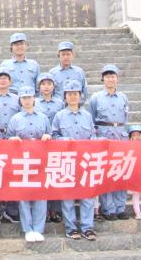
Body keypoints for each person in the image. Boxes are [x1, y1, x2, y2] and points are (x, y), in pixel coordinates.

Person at [52, 80, 98, 241]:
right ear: (65, 97)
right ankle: (71, 228)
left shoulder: (87, 116)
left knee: (87, 195)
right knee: (68, 196)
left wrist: (91, 143)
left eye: (75, 94)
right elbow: (54, 136)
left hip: (85, 160)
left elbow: (93, 135)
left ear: (80, 96)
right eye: (69, 94)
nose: (72, 97)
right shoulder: (59, 116)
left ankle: (87, 227)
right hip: (67, 160)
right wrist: (65, 140)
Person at [7, 86, 52, 242]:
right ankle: (27, 228)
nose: (27, 100)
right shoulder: (15, 119)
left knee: (41, 194)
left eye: (29, 97)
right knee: (23, 195)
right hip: (22, 161)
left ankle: (38, 228)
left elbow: (51, 135)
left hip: (40, 160)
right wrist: (12, 140)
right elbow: (8, 138)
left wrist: (47, 136)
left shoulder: (43, 118)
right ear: (20, 100)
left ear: (34, 99)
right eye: (24, 98)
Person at [87, 64, 129, 220]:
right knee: (105, 173)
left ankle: (120, 207)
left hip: (120, 135)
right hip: (103, 135)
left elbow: (126, 118)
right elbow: (92, 120)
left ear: (117, 78)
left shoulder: (123, 97)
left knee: (120, 172)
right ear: (102, 79)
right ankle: (108, 208)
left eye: (113, 76)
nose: (110, 79)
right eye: (107, 76)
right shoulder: (96, 98)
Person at [0, 68, 20, 223]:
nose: (3, 80)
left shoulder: (17, 99)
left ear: (10, 81)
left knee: (13, 174)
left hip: (13, 140)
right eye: (0, 78)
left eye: (6, 78)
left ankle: (13, 210)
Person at [36, 71, 65, 223]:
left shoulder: (60, 103)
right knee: (41, 177)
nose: (46, 87)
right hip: (39, 145)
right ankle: (44, 210)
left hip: (55, 143)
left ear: (54, 86)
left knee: (55, 176)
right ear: (39, 87)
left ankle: (55, 209)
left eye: (49, 84)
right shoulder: (34, 102)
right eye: (43, 84)